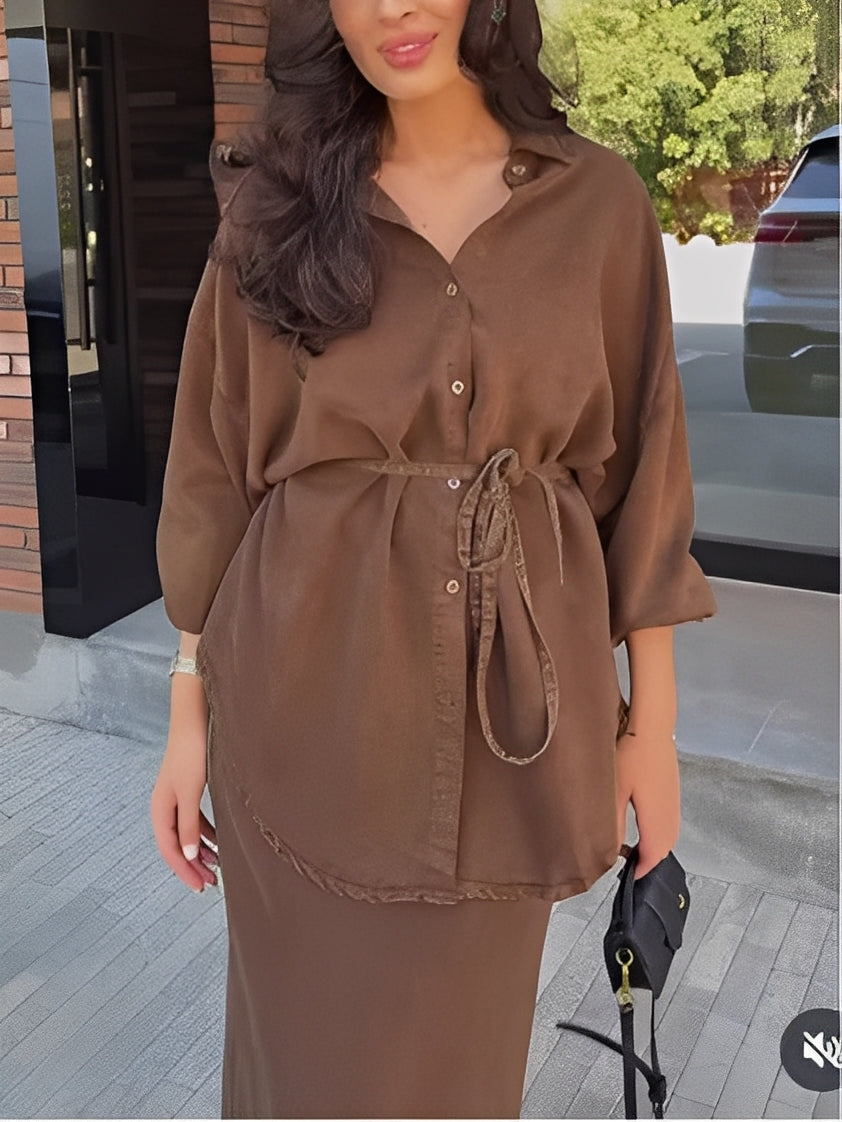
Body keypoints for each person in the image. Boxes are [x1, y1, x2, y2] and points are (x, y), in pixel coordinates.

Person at [150, 0, 718, 1117]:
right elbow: (212, 472)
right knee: (302, 1075)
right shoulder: (274, 208)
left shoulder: (596, 204)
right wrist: (185, 713)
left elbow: (643, 482)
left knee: (458, 1077)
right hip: (301, 723)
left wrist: (648, 729)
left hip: (506, 749)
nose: (393, 8)